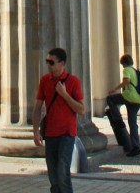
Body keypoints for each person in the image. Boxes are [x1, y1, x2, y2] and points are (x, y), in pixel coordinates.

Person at [32, 47, 85, 193]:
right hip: (50, 133)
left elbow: (81, 109)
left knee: (62, 172)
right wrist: (35, 131)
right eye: (47, 62)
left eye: (51, 62)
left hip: (67, 133)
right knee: (53, 176)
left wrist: (65, 95)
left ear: (62, 63)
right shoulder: (44, 81)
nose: (48, 65)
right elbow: (37, 107)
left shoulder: (73, 81)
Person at [106, 53, 140, 156]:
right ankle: (136, 147)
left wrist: (114, 89)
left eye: (122, 64)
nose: (122, 66)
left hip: (129, 96)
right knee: (133, 124)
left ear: (124, 63)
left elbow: (126, 81)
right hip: (138, 100)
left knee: (110, 99)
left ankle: (117, 120)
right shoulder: (135, 71)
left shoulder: (127, 70)